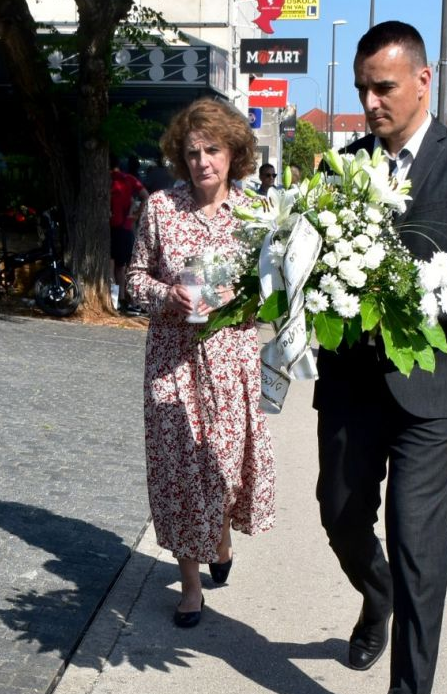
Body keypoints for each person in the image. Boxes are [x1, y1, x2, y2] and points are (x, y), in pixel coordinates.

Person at [316, 22, 447, 694]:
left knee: (416, 543)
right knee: (340, 516)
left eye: (384, 87)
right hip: (350, 385)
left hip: (431, 388)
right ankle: (377, 598)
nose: (370, 101)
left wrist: (433, 299)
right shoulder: (341, 166)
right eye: (363, 88)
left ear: (423, 81)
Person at [126, 98, 277, 630]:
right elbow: (133, 278)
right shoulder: (161, 208)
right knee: (179, 472)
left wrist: (244, 297)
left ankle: (220, 534)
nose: (202, 162)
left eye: (213, 150)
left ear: (234, 152)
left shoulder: (256, 215)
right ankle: (190, 586)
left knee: (224, 467)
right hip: (172, 362)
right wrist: (169, 296)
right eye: (192, 152)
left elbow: (275, 293)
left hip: (232, 358)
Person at [110, 155, 149, 313]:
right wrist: (136, 215)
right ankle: (123, 300)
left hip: (111, 226)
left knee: (110, 265)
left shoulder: (107, 181)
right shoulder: (129, 179)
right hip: (126, 226)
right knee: (121, 266)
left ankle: (116, 301)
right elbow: (146, 196)